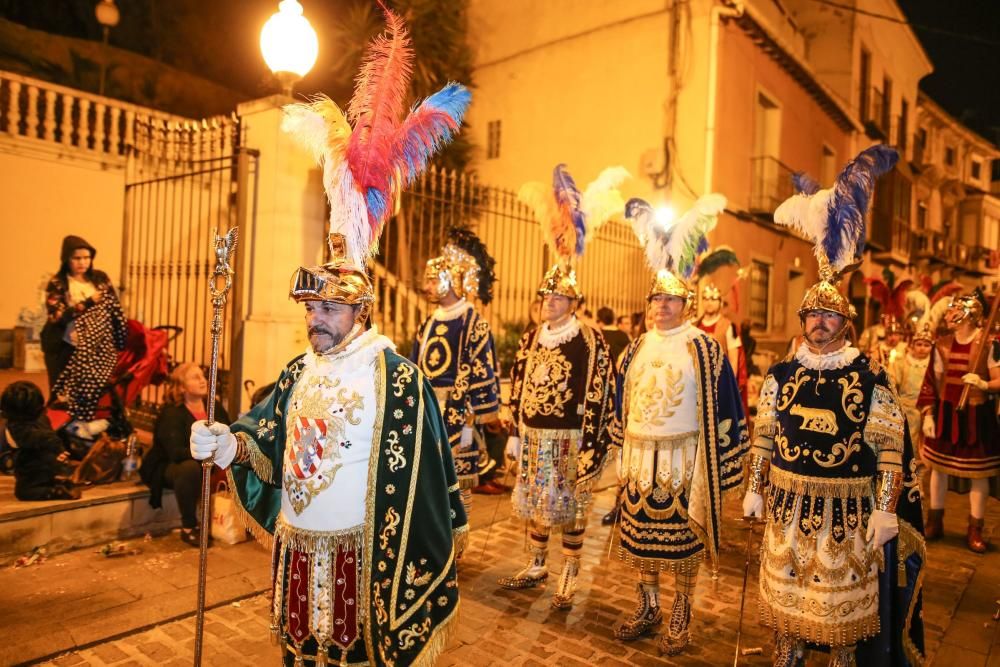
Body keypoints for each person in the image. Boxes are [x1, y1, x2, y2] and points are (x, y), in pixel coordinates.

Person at [189, 10, 470, 663]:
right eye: (311, 307)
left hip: (360, 560)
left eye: (329, 309)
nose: (315, 317)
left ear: (362, 312)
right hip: (299, 550)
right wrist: (228, 441)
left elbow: (426, 482)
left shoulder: (398, 381)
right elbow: (267, 431)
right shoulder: (299, 371)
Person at [745, 145, 925, 666]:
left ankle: (843, 656)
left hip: (846, 510)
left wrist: (887, 509)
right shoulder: (783, 373)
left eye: (829, 315)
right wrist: (755, 488)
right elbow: (764, 434)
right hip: (785, 505)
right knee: (786, 586)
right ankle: (788, 649)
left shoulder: (869, 374)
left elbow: (890, 446)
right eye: (812, 315)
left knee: (837, 599)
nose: (819, 322)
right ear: (802, 322)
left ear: (844, 323)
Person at [613, 194, 748, 656]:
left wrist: (724, 469)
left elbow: (729, 407)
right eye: (656, 299)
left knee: (682, 541)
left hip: (682, 460)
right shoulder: (634, 347)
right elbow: (620, 402)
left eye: (670, 301)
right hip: (638, 461)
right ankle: (648, 604)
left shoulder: (704, 349)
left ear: (684, 304)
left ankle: (681, 611)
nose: (661, 307)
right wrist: (618, 450)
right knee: (642, 542)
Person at [501, 163, 625, 609]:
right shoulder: (532, 337)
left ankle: (570, 570)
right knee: (536, 503)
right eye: (546, 297)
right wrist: (515, 433)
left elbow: (598, 393)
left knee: (570, 507)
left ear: (573, 302)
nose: (549, 303)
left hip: (571, 440)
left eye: (557, 298)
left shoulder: (589, 339)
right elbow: (518, 384)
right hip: (534, 437)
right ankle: (537, 562)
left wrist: (591, 448)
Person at [411, 228, 502, 508]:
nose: (426, 286)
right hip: (428, 412)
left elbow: (481, 370)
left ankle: (458, 543)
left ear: (449, 281)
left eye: (431, 280)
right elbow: (416, 367)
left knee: (458, 486)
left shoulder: (473, 322)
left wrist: (474, 417)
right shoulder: (427, 323)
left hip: (460, 414)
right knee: (429, 483)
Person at [918, 291, 1000, 552]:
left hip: (977, 418)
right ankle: (935, 520)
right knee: (938, 469)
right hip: (945, 415)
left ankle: (975, 528)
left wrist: (984, 383)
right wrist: (928, 414)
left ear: (970, 314)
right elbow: (931, 381)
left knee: (979, 474)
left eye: (955, 309)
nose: (949, 314)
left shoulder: (990, 344)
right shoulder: (941, 344)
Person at [43, 235, 127, 435]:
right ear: (66, 259)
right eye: (76, 258)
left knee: (91, 390)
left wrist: (119, 339)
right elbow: (56, 316)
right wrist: (88, 303)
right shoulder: (57, 283)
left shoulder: (100, 278)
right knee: (62, 393)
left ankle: (84, 430)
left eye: (86, 258)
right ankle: (60, 434)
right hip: (64, 346)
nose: (82, 263)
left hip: (97, 345)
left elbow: (113, 308)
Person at [140, 362, 230, 546]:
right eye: (195, 377)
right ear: (181, 387)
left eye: (202, 376)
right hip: (170, 466)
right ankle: (189, 527)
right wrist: (210, 452)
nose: (202, 380)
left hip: (206, 461)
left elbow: (229, 431)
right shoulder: (172, 413)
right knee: (189, 469)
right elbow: (175, 452)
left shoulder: (214, 406)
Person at [1, 381, 78, 500]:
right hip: (52, 462)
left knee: (24, 491)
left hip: (36, 466)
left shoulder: (19, 427)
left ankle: (53, 491)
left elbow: (41, 439)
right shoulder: (42, 417)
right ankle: (56, 483)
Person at [695, 283, 749, 416]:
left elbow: (734, 360)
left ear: (720, 302)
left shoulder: (728, 326)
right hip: (697, 383)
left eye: (713, 299)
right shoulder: (695, 326)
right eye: (706, 299)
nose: (709, 302)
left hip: (720, 384)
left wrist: (729, 386)